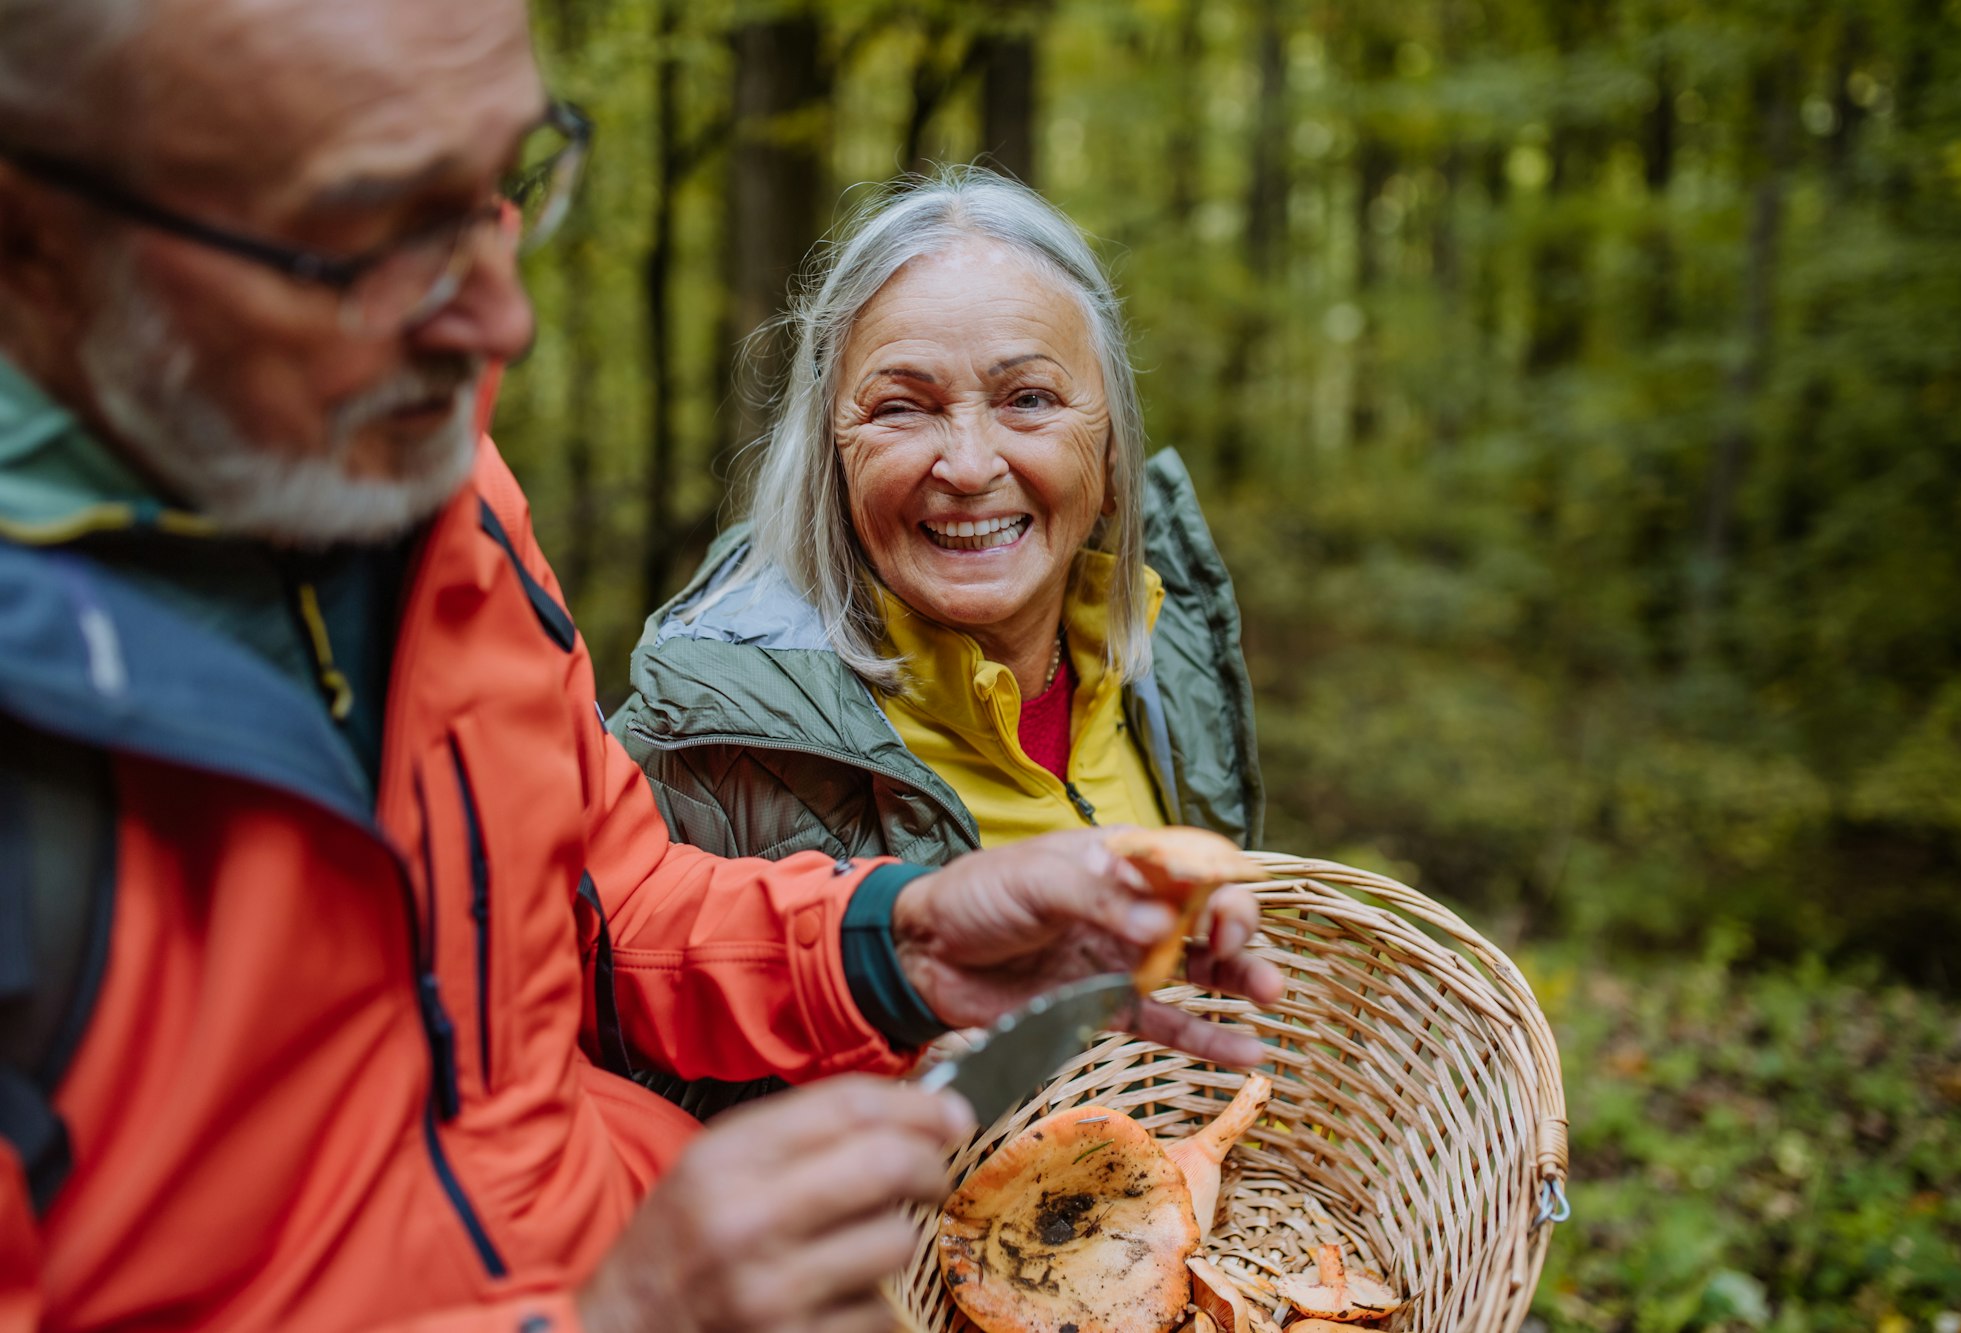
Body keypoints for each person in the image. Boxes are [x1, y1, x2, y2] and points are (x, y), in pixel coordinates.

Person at [0, 4, 1285, 1330]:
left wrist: (894, 943)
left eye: (504, 185)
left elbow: (605, 905)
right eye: (376, 228)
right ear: (43, 239)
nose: (504, 318)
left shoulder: (442, 497)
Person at [616, 169, 1262, 877]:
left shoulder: (1167, 655)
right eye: (900, 407)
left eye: (1029, 398)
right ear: (829, 463)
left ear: (1112, 457)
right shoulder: (700, 752)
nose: (968, 464)